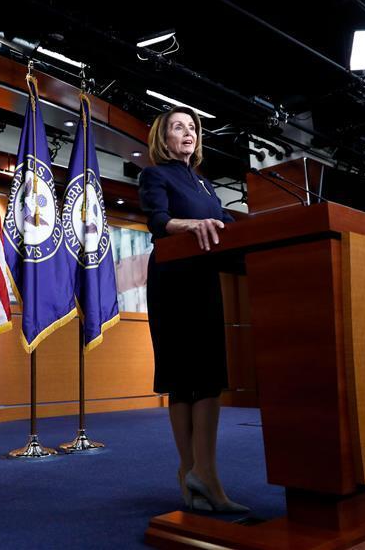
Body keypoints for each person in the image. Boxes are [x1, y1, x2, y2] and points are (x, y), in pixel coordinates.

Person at [138, 106, 248, 513]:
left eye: (192, 127)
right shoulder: (155, 175)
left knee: (206, 379)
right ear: (163, 138)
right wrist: (189, 225)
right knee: (185, 379)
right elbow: (158, 220)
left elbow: (224, 224)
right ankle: (198, 473)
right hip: (173, 279)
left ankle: (199, 475)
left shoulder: (205, 185)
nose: (188, 133)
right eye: (178, 127)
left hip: (204, 278)